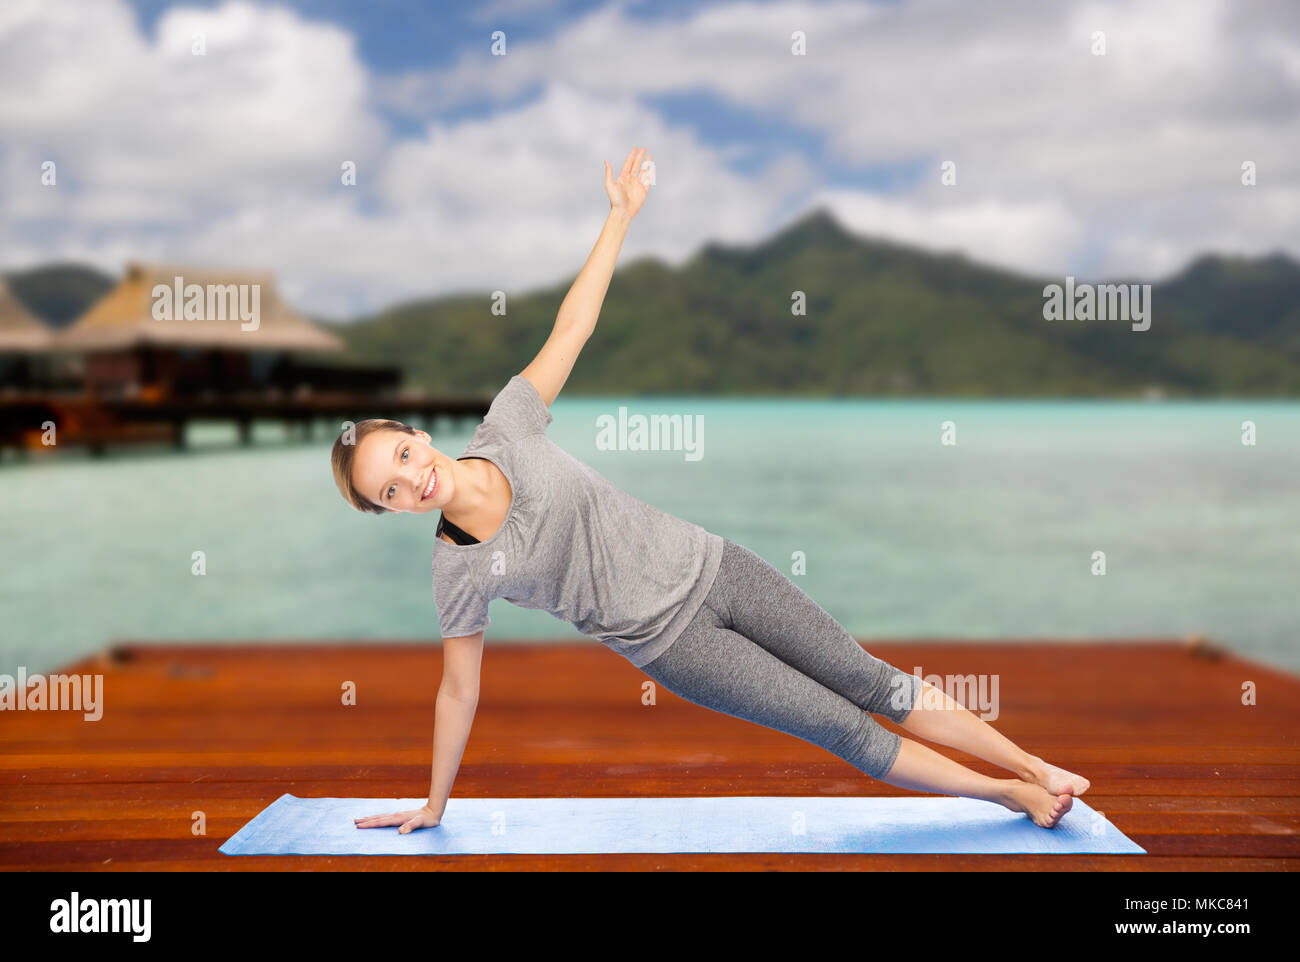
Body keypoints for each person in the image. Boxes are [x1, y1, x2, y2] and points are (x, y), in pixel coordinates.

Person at [331, 147, 1089, 836]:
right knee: (844, 729)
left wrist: (619, 217)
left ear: (417, 433)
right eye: (390, 491)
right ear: (392, 510)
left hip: (720, 565)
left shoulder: (510, 425)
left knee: (868, 678)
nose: (411, 479)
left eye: (401, 455)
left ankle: (1037, 768)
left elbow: (574, 327)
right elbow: (457, 692)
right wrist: (436, 804)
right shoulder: (456, 569)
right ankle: (1008, 795)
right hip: (675, 646)